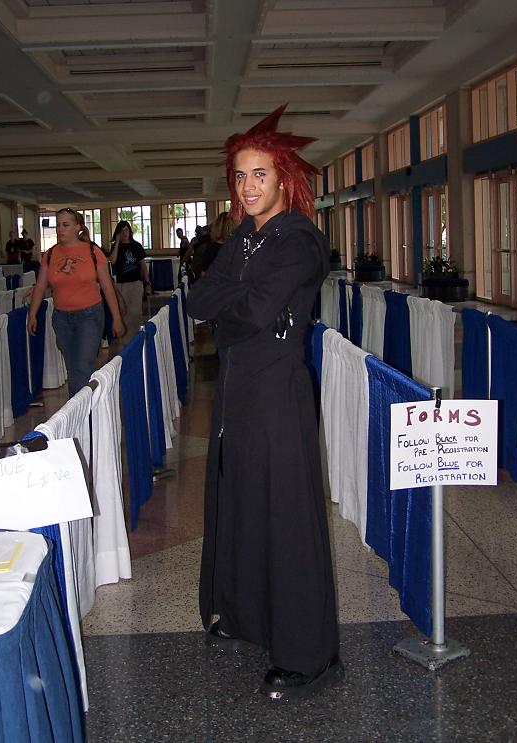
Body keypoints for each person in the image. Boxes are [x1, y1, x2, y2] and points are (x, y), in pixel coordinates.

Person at [186, 104, 342, 701]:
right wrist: (232, 301)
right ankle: (248, 617)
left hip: (277, 393)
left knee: (286, 516)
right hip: (239, 389)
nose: (248, 188)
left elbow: (247, 311)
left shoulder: (298, 239)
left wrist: (232, 303)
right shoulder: (246, 238)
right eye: (240, 176)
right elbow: (203, 295)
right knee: (243, 502)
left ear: (283, 179)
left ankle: (310, 654)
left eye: (259, 175)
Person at [27, 208, 125, 397]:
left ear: (78, 228)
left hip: (90, 316)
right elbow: (40, 287)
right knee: (73, 367)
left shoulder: (92, 251)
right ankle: (84, 408)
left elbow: (107, 287)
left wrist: (116, 318)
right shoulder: (49, 255)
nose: (60, 230)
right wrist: (32, 314)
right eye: (58, 225)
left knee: (82, 366)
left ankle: (79, 415)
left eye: (66, 225)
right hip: (62, 319)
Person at [107, 220, 152, 341]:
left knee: (135, 312)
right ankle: (126, 339)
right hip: (122, 284)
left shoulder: (136, 246)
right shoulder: (117, 247)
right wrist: (116, 242)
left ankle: (135, 337)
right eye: (121, 231)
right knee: (124, 313)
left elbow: (143, 265)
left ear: (130, 231)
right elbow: (113, 260)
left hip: (136, 283)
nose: (124, 233)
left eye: (126, 230)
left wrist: (147, 283)